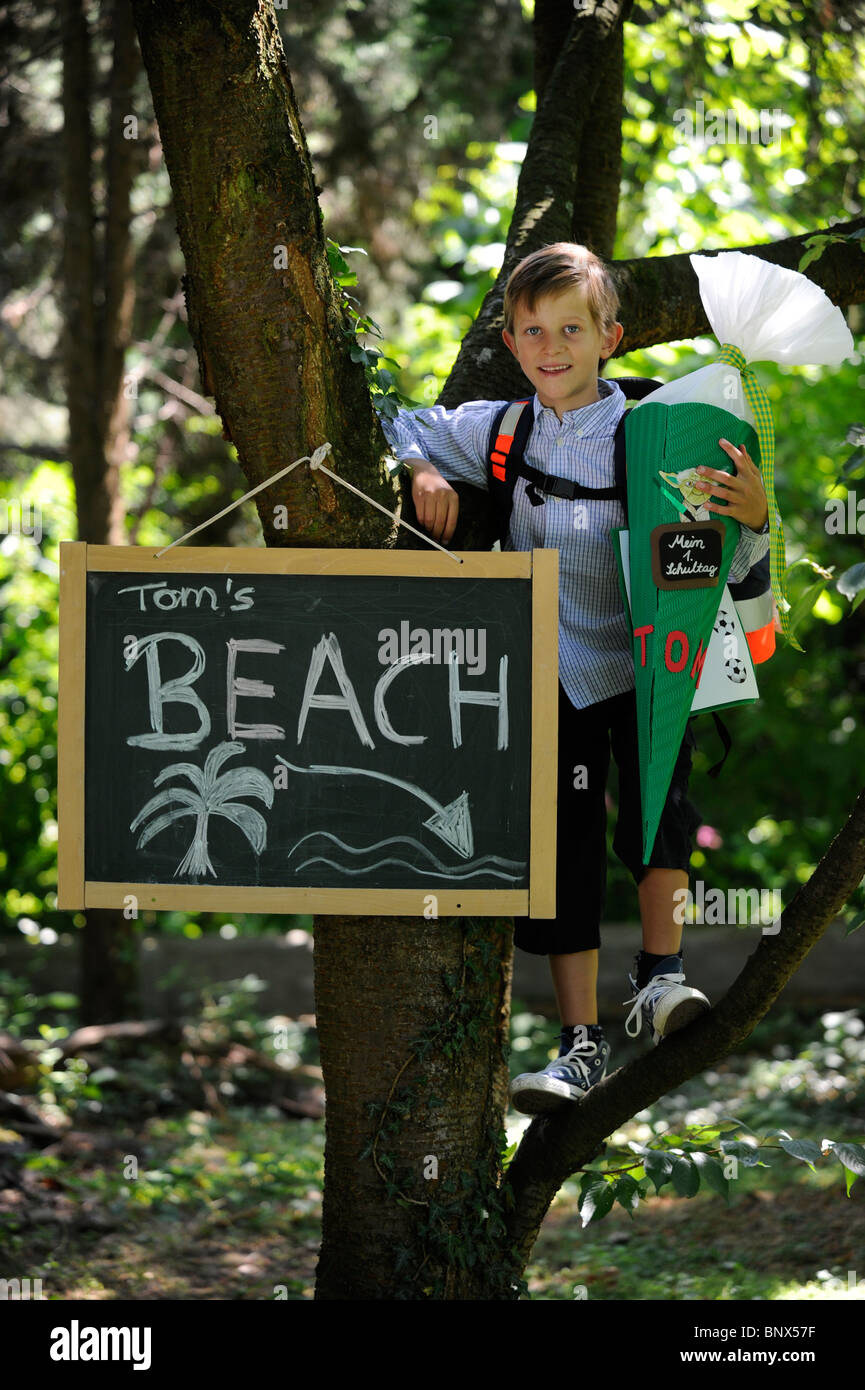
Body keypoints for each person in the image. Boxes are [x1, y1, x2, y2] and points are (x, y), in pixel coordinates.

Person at [377, 242, 770, 1113]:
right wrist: (420, 466)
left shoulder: (656, 431)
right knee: (560, 848)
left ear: (609, 338)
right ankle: (578, 1043)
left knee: (661, 804)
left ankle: (662, 977)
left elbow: (718, 558)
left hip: (648, 657)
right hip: (555, 669)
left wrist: (756, 518)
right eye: (532, 331)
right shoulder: (503, 430)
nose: (550, 346)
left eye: (570, 328)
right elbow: (396, 413)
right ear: (513, 345)